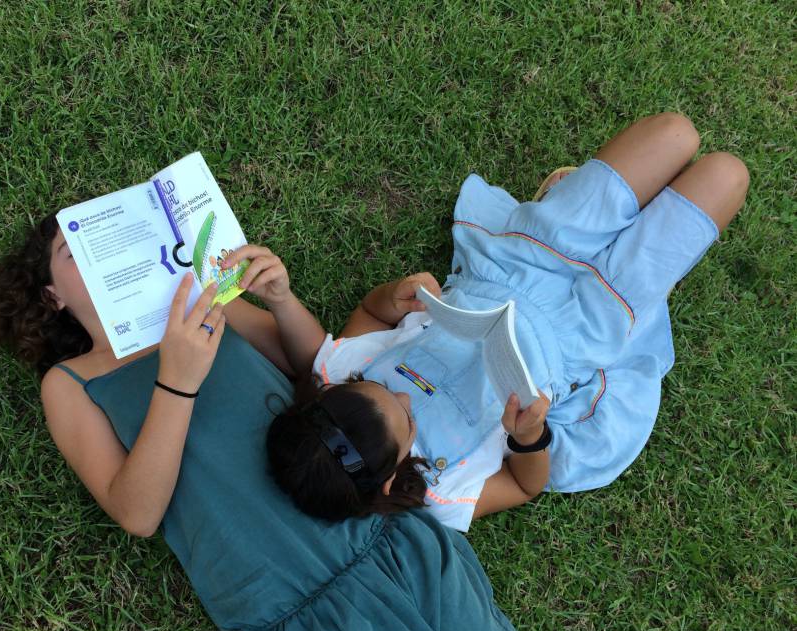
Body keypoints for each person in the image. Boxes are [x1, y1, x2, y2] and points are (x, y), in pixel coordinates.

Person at [0, 218, 530, 631]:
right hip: (297, 606)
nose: (99, 253)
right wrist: (175, 383)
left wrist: (279, 298)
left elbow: (309, 366)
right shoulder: (72, 382)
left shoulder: (201, 302)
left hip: (384, 539)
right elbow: (136, 512)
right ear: (51, 296)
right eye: (74, 250)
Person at [262, 113, 749, 532]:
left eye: (384, 388)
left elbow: (370, 313)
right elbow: (523, 483)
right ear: (389, 479)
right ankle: (629, 249)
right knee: (727, 175)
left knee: (676, 132)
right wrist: (527, 437)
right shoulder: (443, 495)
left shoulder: (344, 376)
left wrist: (392, 298)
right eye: (406, 417)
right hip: (581, 330)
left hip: (518, 263)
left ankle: (603, 222)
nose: (404, 394)